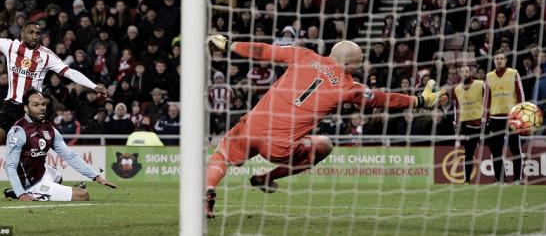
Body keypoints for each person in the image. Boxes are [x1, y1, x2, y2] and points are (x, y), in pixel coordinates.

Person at [204, 35, 447, 218]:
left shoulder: (304, 55)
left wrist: (230, 45)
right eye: (358, 64)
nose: (359, 68)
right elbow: (385, 100)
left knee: (222, 154)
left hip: (253, 126)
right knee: (325, 145)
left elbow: (264, 51)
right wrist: (420, 101)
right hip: (280, 147)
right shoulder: (348, 87)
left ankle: (209, 190)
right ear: (351, 64)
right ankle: (267, 178)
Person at [0, 15, 107, 199]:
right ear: (22, 33)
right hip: (11, 107)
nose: (36, 35)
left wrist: (93, 86)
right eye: (31, 32)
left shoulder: (46, 55)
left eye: (38, 33)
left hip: (32, 110)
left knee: (36, 150)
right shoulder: (11, 46)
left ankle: (50, 177)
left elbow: (69, 72)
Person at [5, 89, 117, 201]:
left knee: (57, 176)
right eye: (36, 105)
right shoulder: (19, 131)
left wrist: (96, 177)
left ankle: (28, 191)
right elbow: (10, 166)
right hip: (30, 183)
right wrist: (21, 194)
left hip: (43, 174)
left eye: (43, 104)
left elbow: (70, 156)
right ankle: (26, 192)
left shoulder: (48, 128)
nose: (41, 107)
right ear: (26, 108)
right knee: (83, 195)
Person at [483, 50, 525, 184]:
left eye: (501, 58)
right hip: (495, 118)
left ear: (506, 60)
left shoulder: (513, 73)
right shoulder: (489, 76)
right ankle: (501, 180)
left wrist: (520, 113)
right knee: (495, 150)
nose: (499, 60)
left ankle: (518, 179)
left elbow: (520, 94)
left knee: (515, 149)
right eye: (497, 58)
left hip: (512, 117)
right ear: (494, 60)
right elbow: (486, 99)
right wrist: (485, 116)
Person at [452, 65, 484, 184]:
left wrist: (488, 117)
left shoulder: (480, 84)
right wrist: (456, 121)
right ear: (459, 73)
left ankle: (502, 179)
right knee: (468, 153)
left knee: (495, 150)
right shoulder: (457, 89)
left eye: (467, 71)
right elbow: (457, 107)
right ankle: (467, 180)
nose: (465, 73)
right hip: (467, 125)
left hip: (482, 123)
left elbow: (488, 100)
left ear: (470, 72)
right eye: (462, 71)